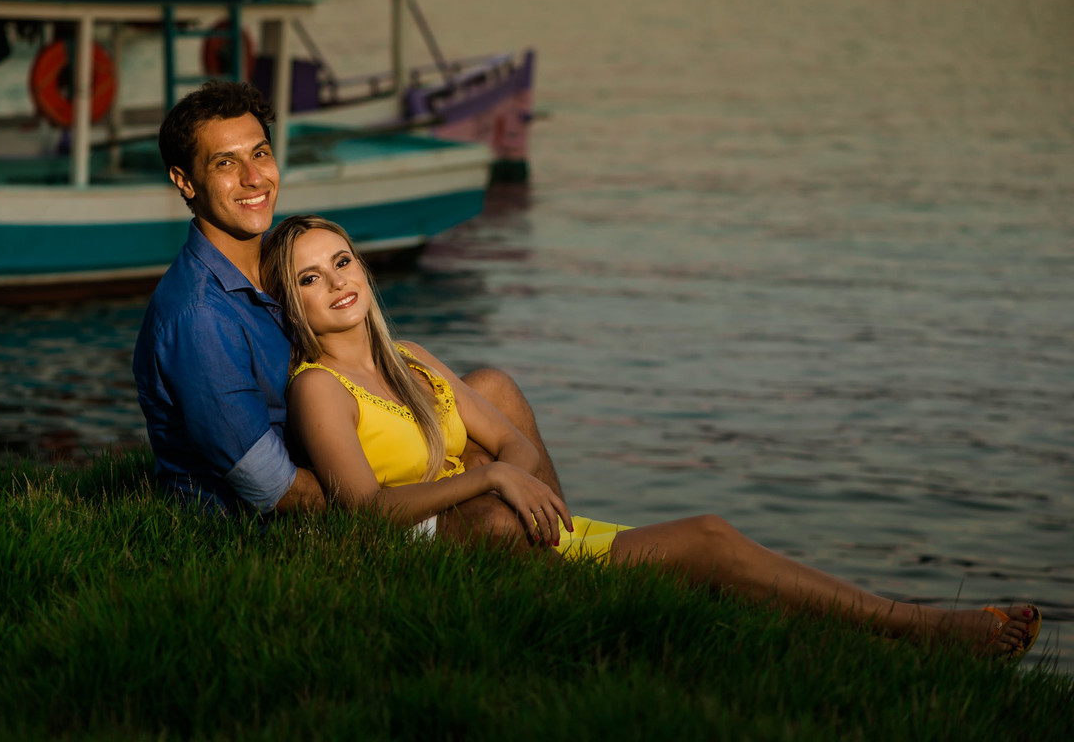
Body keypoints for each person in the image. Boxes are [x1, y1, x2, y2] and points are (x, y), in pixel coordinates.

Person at [260, 213, 1043, 660]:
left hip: (494, 523)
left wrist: (508, 468)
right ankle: (922, 628)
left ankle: (572, 558)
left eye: (343, 261)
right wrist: (486, 475)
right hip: (435, 544)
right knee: (706, 535)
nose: (337, 283)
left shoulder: (415, 360)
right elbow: (363, 509)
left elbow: (518, 445)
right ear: (293, 305)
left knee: (495, 393)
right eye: (310, 278)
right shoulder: (320, 388)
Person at [133, 80, 563, 535]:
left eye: (260, 153)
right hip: (267, 526)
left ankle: (563, 537)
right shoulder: (199, 316)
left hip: (339, 447)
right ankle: (553, 565)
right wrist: (427, 478)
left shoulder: (273, 261)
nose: (253, 178)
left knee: (494, 390)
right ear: (185, 181)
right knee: (485, 494)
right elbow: (272, 489)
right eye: (225, 163)